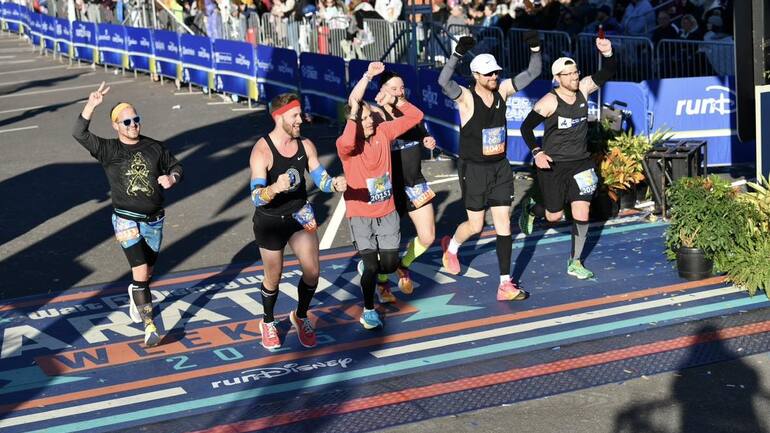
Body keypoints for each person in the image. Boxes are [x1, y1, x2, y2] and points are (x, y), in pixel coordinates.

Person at [72, 82, 183, 347]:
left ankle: (137, 294)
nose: (133, 125)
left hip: (154, 220)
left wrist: (172, 178)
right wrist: (91, 105)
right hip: (125, 219)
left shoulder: (155, 147)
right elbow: (79, 133)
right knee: (141, 270)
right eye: (127, 122)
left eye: (136, 119)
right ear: (116, 126)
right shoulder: (108, 150)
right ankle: (149, 326)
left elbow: (176, 166)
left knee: (147, 272)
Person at [437, 32, 541, 301]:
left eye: (496, 72)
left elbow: (533, 72)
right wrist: (457, 54)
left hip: (500, 168)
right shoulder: (466, 97)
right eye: (488, 74)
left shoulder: (503, 91)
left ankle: (505, 283)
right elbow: (443, 81)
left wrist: (534, 47)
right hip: (474, 169)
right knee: (476, 225)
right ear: (476, 76)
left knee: (504, 224)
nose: (494, 77)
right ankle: (452, 247)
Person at [249, 93, 347, 350]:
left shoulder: (306, 145)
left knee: (313, 272)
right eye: (295, 115)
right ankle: (267, 321)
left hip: (300, 214)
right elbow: (256, 197)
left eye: (300, 114)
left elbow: (320, 178)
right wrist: (274, 188)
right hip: (270, 221)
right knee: (273, 277)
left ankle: (300, 316)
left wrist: (334, 184)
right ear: (278, 117)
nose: (300, 120)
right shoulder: (262, 151)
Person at [519, 37, 617, 280]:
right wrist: (537, 152)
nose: (574, 77)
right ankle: (532, 208)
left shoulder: (583, 89)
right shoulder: (549, 101)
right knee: (553, 216)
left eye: (576, 72)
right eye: (569, 74)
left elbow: (607, 72)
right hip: (554, 165)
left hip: (581, 163)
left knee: (582, 212)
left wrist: (608, 53)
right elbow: (526, 128)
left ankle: (575, 261)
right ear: (557, 78)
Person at [337, 61, 424, 329]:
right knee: (372, 267)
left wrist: (395, 98)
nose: (369, 121)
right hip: (361, 214)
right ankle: (368, 310)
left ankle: (372, 269)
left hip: (386, 211)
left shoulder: (384, 132)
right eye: (363, 119)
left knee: (388, 265)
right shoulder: (346, 146)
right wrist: (365, 82)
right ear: (353, 122)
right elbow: (350, 130)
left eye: (370, 117)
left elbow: (416, 116)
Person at [359, 70, 437, 303]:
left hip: (414, 183)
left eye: (402, 88)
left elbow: (420, 128)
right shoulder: (375, 115)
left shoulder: (409, 110)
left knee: (428, 236)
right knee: (387, 246)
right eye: (394, 89)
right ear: (382, 91)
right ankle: (383, 282)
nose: (400, 92)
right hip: (389, 187)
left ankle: (404, 265)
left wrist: (426, 138)